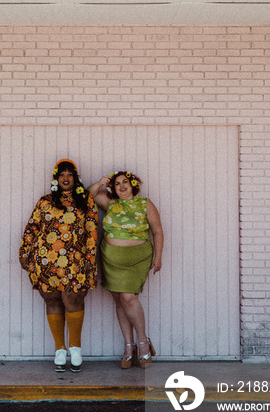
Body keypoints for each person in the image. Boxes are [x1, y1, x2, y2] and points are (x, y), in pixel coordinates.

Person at [19, 159, 98, 372]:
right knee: (53, 301)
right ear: (56, 178)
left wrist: (90, 260)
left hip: (75, 261)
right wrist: (24, 251)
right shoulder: (45, 201)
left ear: (75, 178)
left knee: (73, 299)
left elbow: (92, 232)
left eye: (69, 175)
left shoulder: (85, 201)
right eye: (61, 174)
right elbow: (32, 227)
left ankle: (76, 348)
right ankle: (60, 350)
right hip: (46, 261)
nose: (65, 178)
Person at [88, 171, 163, 368]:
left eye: (125, 182)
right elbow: (88, 196)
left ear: (133, 184)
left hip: (137, 259)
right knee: (119, 301)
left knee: (128, 298)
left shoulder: (145, 203)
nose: (122, 186)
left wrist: (159, 256)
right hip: (111, 259)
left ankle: (143, 343)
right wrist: (100, 182)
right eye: (117, 183)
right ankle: (129, 347)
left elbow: (157, 230)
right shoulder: (109, 202)